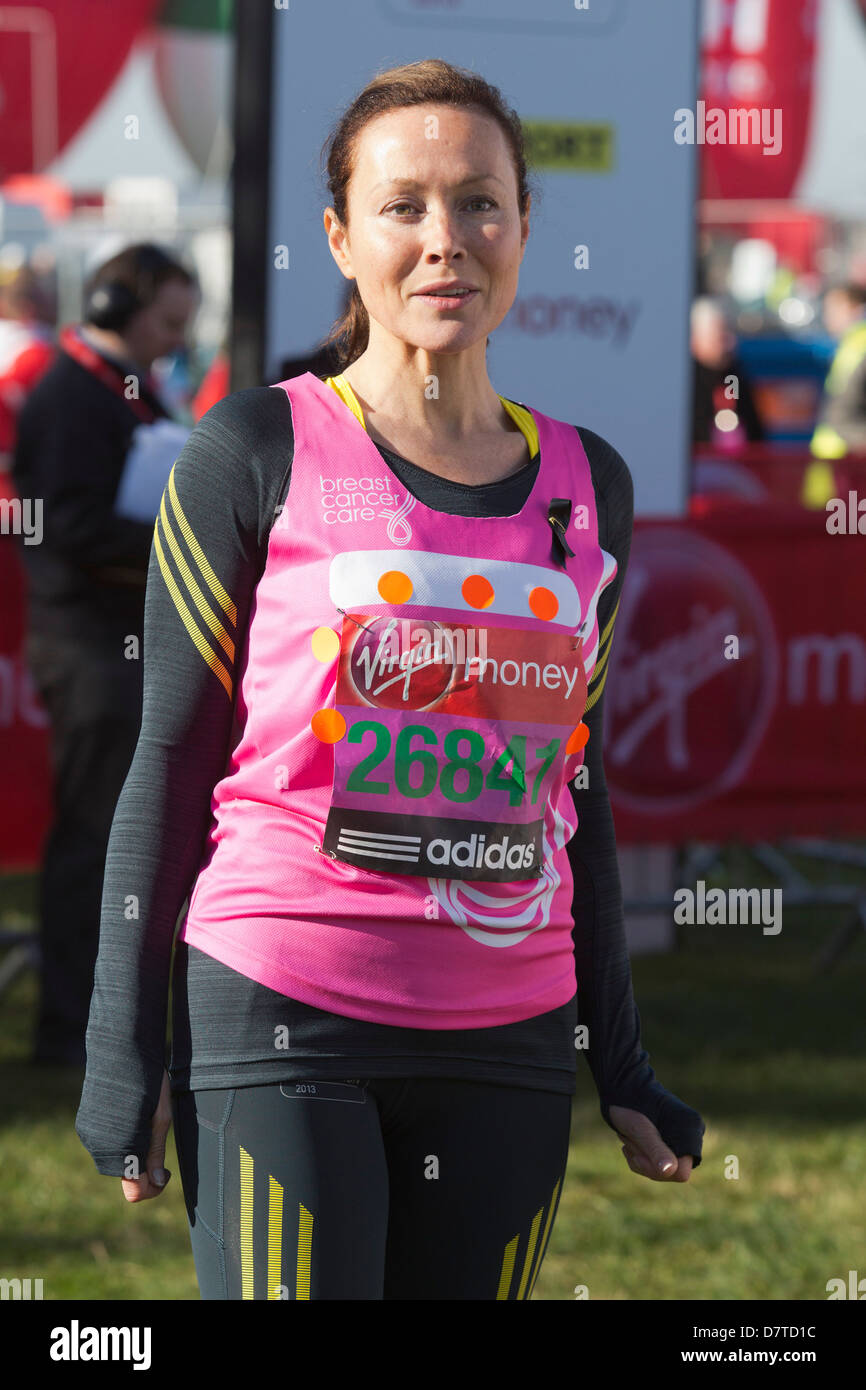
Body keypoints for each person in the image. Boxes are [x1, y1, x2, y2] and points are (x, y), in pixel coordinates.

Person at [75, 60, 704, 1301]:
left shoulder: (591, 484)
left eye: (478, 202)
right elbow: (171, 761)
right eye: (401, 205)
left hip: (510, 1035)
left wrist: (619, 1062)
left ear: (524, 227)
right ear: (340, 237)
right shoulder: (252, 449)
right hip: (278, 1009)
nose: (443, 240)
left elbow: (570, 788)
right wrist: (118, 1045)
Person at [11, 242, 198, 1066]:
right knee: (93, 838)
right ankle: (67, 1033)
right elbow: (66, 524)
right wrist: (173, 538)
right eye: (167, 319)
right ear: (122, 303)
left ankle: (96, 1026)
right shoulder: (71, 394)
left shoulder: (116, 386)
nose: (176, 338)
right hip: (87, 646)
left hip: (111, 639)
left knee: (118, 838)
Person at [802, 281, 866, 508]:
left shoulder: (857, 346)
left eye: (833, 309)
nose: (828, 317)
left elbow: (843, 411)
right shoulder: (851, 344)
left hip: (846, 468)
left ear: (854, 309)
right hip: (839, 465)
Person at [690, 295, 765, 449]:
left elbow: (755, 431)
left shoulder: (734, 377)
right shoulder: (687, 383)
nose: (730, 343)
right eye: (720, 337)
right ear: (696, 339)